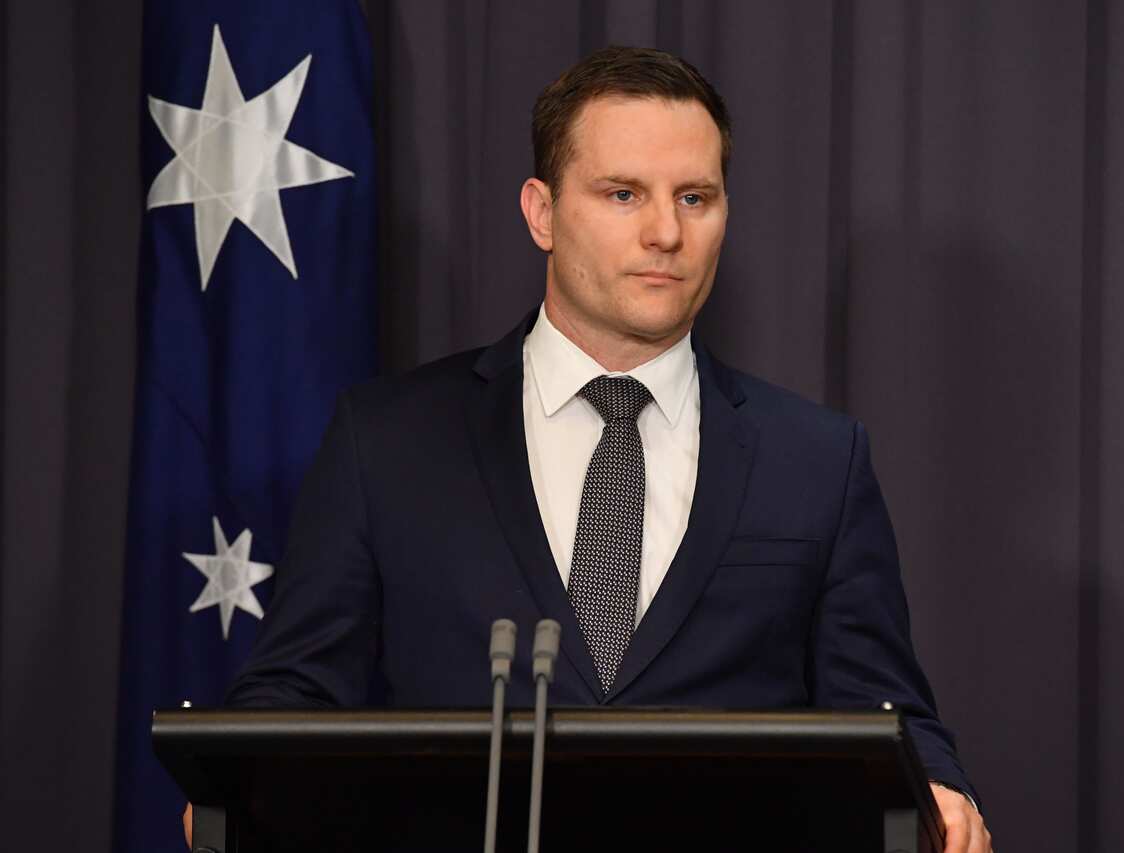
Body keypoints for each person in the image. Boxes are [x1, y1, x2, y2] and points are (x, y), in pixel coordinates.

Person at [191, 46, 991, 853]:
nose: (666, 232)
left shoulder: (817, 459)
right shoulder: (387, 441)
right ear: (541, 212)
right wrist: (239, 779)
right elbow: (293, 691)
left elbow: (885, 710)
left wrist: (937, 786)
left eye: (695, 197)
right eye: (623, 194)